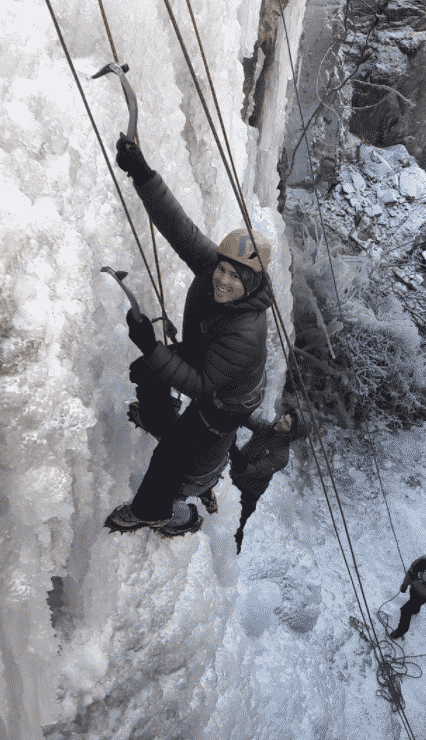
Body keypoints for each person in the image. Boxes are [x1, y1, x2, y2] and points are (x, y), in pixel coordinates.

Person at [104, 135, 275, 538]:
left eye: (237, 277)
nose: (224, 281)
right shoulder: (212, 265)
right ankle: (157, 419)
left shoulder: (246, 333)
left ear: (252, 283)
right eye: (224, 270)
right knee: (145, 371)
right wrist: (141, 173)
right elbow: (177, 226)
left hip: (222, 401)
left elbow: (200, 385)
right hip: (203, 361)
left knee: (172, 459)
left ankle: (159, 513)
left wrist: (152, 344)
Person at [229, 403, 309, 554]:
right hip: (235, 476)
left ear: (291, 433)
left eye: (286, 423)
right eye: (283, 418)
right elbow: (249, 420)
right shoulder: (268, 428)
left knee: (238, 523)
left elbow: (253, 470)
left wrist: (232, 449)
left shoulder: (281, 456)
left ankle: (232, 551)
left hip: (249, 491)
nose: (280, 421)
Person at [389, 555, 426, 640]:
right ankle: (415, 609)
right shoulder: (421, 562)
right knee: (413, 600)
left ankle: (402, 630)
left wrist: (417, 579)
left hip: (422, 597)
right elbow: (410, 572)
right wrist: (405, 584)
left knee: (405, 610)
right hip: (414, 589)